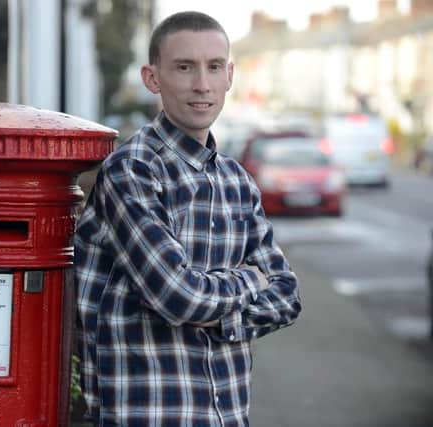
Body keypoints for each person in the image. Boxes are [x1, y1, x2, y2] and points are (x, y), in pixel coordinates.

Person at [74, 11, 301, 427]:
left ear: (229, 75)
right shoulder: (133, 171)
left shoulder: (236, 180)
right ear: (152, 78)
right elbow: (179, 296)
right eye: (184, 67)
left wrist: (219, 320)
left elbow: (286, 297)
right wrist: (251, 280)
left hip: (227, 416)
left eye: (214, 67)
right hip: (145, 415)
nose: (202, 84)